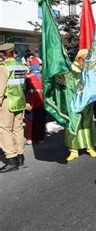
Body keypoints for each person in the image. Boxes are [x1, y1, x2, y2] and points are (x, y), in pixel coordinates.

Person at [65, 49, 96, 162]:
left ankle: (90, 147)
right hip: (74, 102)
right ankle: (73, 150)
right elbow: (69, 87)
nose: (87, 61)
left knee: (87, 123)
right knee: (74, 125)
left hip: (86, 102)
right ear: (79, 58)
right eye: (85, 59)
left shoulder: (87, 69)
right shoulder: (71, 70)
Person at [0, 43, 28, 173]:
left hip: (7, 102)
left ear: (4, 54)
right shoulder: (21, 66)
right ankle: (20, 156)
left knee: (4, 129)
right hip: (20, 101)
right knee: (18, 129)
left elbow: (1, 89)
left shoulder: (3, 67)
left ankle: (11, 158)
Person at [24, 56, 46, 144]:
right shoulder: (28, 76)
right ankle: (30, 137)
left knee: (40, 121)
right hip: (31, 103)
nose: (41, 66)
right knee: (30, 121)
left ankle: (40, 137)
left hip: (41, 103)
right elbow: (24, 91)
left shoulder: (44, 76)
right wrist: (26, 102)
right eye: (40, 65)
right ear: (35, 65)